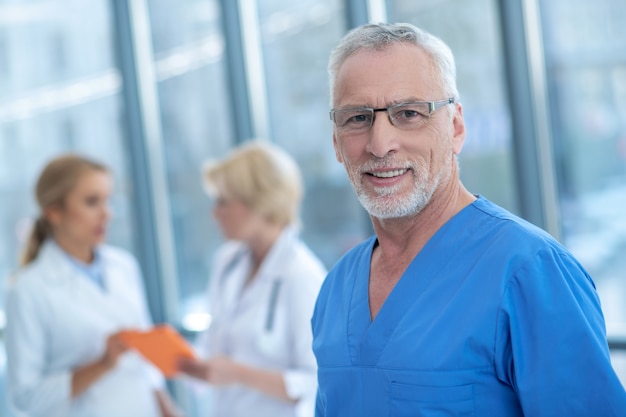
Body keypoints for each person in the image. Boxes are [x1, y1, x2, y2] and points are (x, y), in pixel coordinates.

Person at [311, 22, 626, 416]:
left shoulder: (529, 272)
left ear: (456, 127)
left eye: (408, 113)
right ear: (337, 142)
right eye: (357, 118)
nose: (380, 144)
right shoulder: (335, 290)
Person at [5, 154, 183, 417]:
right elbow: (24, 397)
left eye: (107, 200)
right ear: (54, 212)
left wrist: (167, 407)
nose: (107, 213)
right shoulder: (28, 290)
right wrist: (102, 364)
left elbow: (144, 362)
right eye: (92, 202)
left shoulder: (124, 266)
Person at [177, 141, 326, 417]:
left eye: (223, 202)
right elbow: (213, 346)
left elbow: (316, 382)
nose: (215, 213)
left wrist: (238, 374)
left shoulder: (302, 275)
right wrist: (187, 362)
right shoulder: (228, 261)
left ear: (259, 202)